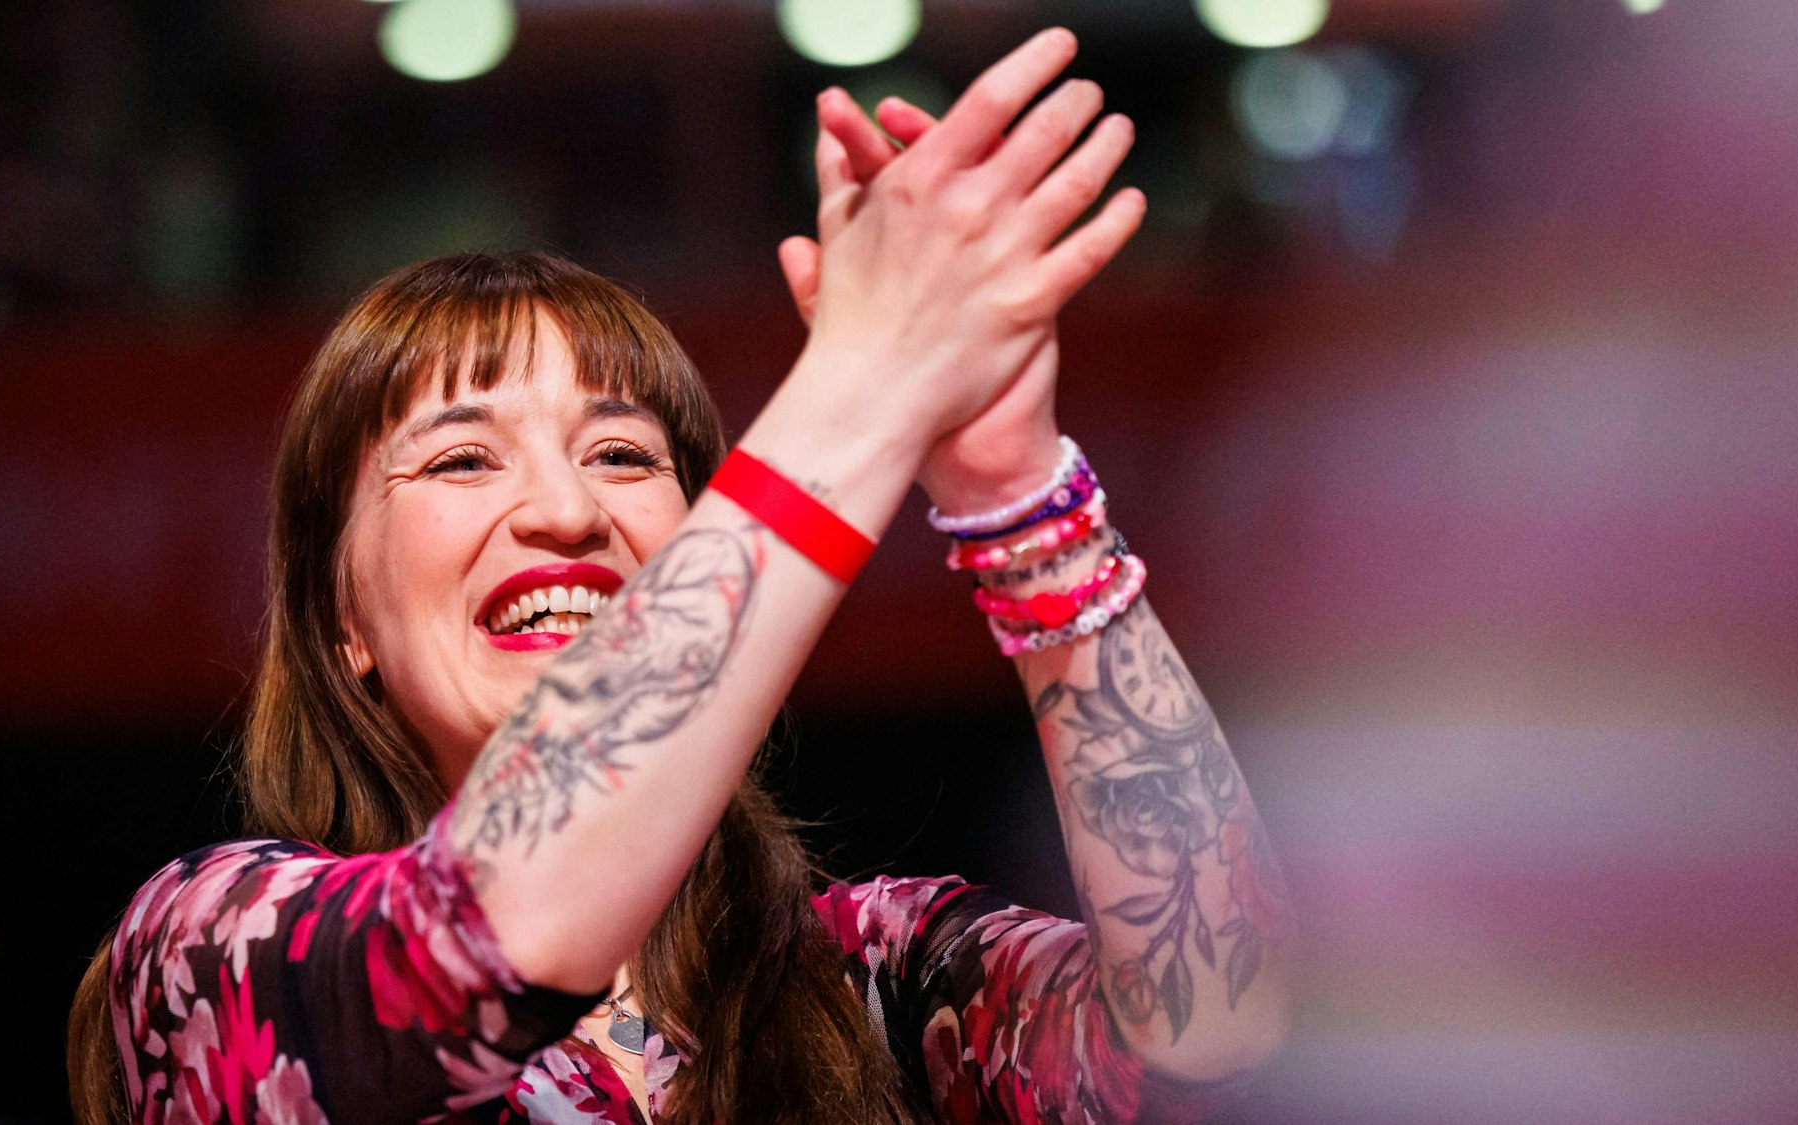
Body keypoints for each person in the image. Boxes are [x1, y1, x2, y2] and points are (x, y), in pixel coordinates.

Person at [68, 29, 1293, 1124]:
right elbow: (484, 944)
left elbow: (1208, 1034)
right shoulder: (209, 947)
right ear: (344, 621)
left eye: (620, 453)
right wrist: (860, 388)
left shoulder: (863, 977)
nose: (565, 512)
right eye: (459, 458)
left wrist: (1019, 497)